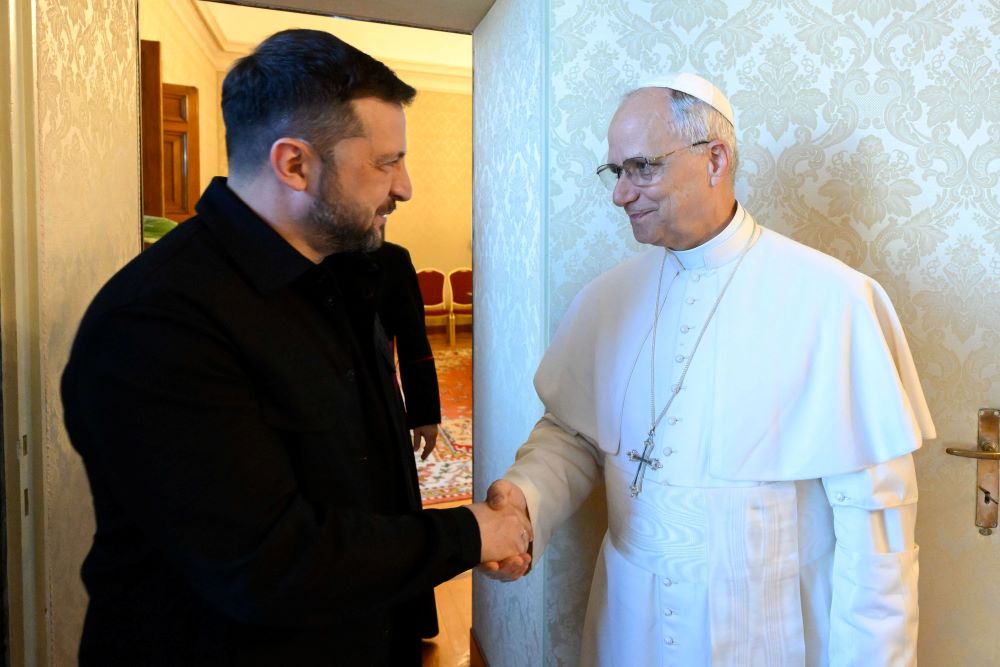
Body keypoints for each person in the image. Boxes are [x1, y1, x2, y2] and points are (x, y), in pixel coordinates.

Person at [61, 29, 531, 666]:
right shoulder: (157, 321)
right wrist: (471, 533)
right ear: (295, 164)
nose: (406, 187)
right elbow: (268, 563)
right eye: (387, 162)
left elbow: (365, 480)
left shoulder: (332, 276)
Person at [483, 73, 935, 666]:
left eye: (641, 167)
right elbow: (572, 437)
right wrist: (525, 500)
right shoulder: (606, 300)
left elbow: (877, 534)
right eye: (615, 171)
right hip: (628, 628)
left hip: (766, 634)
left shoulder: (832, 300)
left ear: (715, 159)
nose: (621, 194)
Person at [369, 240, 441, 459]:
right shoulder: (304, 254)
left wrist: (424, 414)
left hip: (380, 395)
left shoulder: (392, 259)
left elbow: (414, 340)